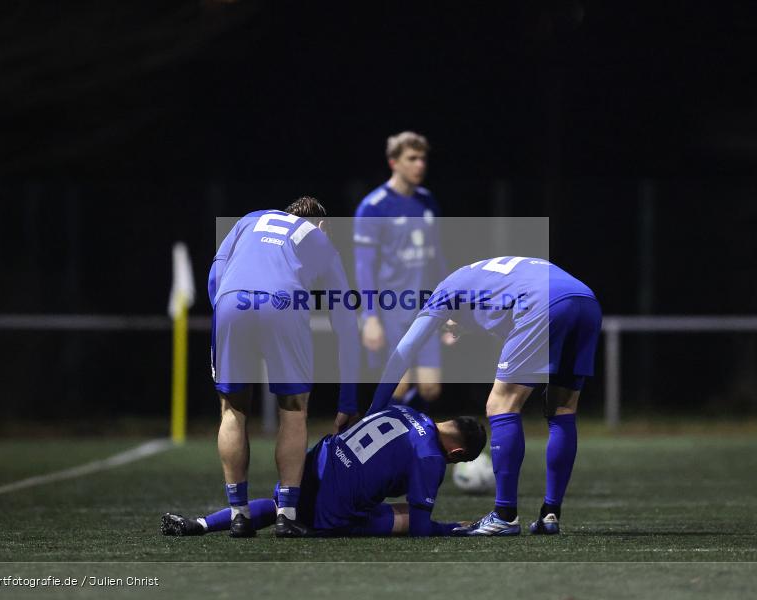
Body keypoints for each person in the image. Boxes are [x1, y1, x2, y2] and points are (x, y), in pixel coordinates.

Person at [368, 257, 601, 536]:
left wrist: (372, 413)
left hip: (543, 301)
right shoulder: (481, 281)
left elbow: (403, 351)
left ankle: (505, 516)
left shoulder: (444, 291)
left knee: (501, 404)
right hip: (586, 300)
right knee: (562, 407)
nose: (449, 328)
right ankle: (550, 514)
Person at [208, 197, 360, 538]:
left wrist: (226, 314)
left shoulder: (250, 218)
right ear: (323, 225)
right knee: (293, 409)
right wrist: (348, 400)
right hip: (283, 303)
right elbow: (346, 324)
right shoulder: (319, 238)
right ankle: (286, 515)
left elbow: (215, 276)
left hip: (231, 300)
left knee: (232, 409)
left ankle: (239, 514)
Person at [161, 406, 487, 537]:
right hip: (334, 507)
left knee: (281, 507)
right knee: (406, 516)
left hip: (309, 472)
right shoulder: (430, 455)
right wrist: (453, 528)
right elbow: (420, 528)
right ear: (457, 453)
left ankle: (201, 524)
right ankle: (322, 521)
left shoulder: (403, 409)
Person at [353, 131, 448, 412]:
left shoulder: (427, 201)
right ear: (394, 162)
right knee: (399, 385)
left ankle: (414, 431)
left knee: (431, 388)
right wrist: (370, 317)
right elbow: (364, 266)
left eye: (423, 159)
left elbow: (438, 258)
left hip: (426, 307)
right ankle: (395, 436)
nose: (420, 165)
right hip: (391, 309)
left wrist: (450, 305)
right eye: (412, 158)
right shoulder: (374, 207)